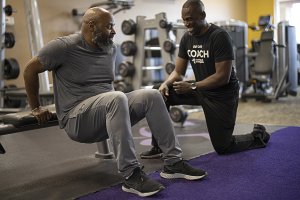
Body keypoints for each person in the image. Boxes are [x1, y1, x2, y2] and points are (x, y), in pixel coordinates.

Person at [23, 7, 207, 197]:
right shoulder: (64, 47)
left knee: (153, 94)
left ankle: (173, 162)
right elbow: (30, 69)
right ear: (91, 25)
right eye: (109, 26)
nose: (113, 31)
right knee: (116, 97)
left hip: (106, 111)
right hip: (76, 119)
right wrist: (36, 107)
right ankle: (131, 174)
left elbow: (107, 90)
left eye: (113, 26)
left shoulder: (109, 48)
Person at [140, 0, 270, 159]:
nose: (187, 23)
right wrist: (166, 84)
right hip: (200, 89)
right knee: (157, 93)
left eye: (190, 19)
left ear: (203, 15)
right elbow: (178, 71)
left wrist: (192, 85)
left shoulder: (219, 36)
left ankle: (257, 136)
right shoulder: (187, 38)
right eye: (184, 19)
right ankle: (158, 146)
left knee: (224, 146)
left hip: (222, 95)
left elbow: (223, 77)